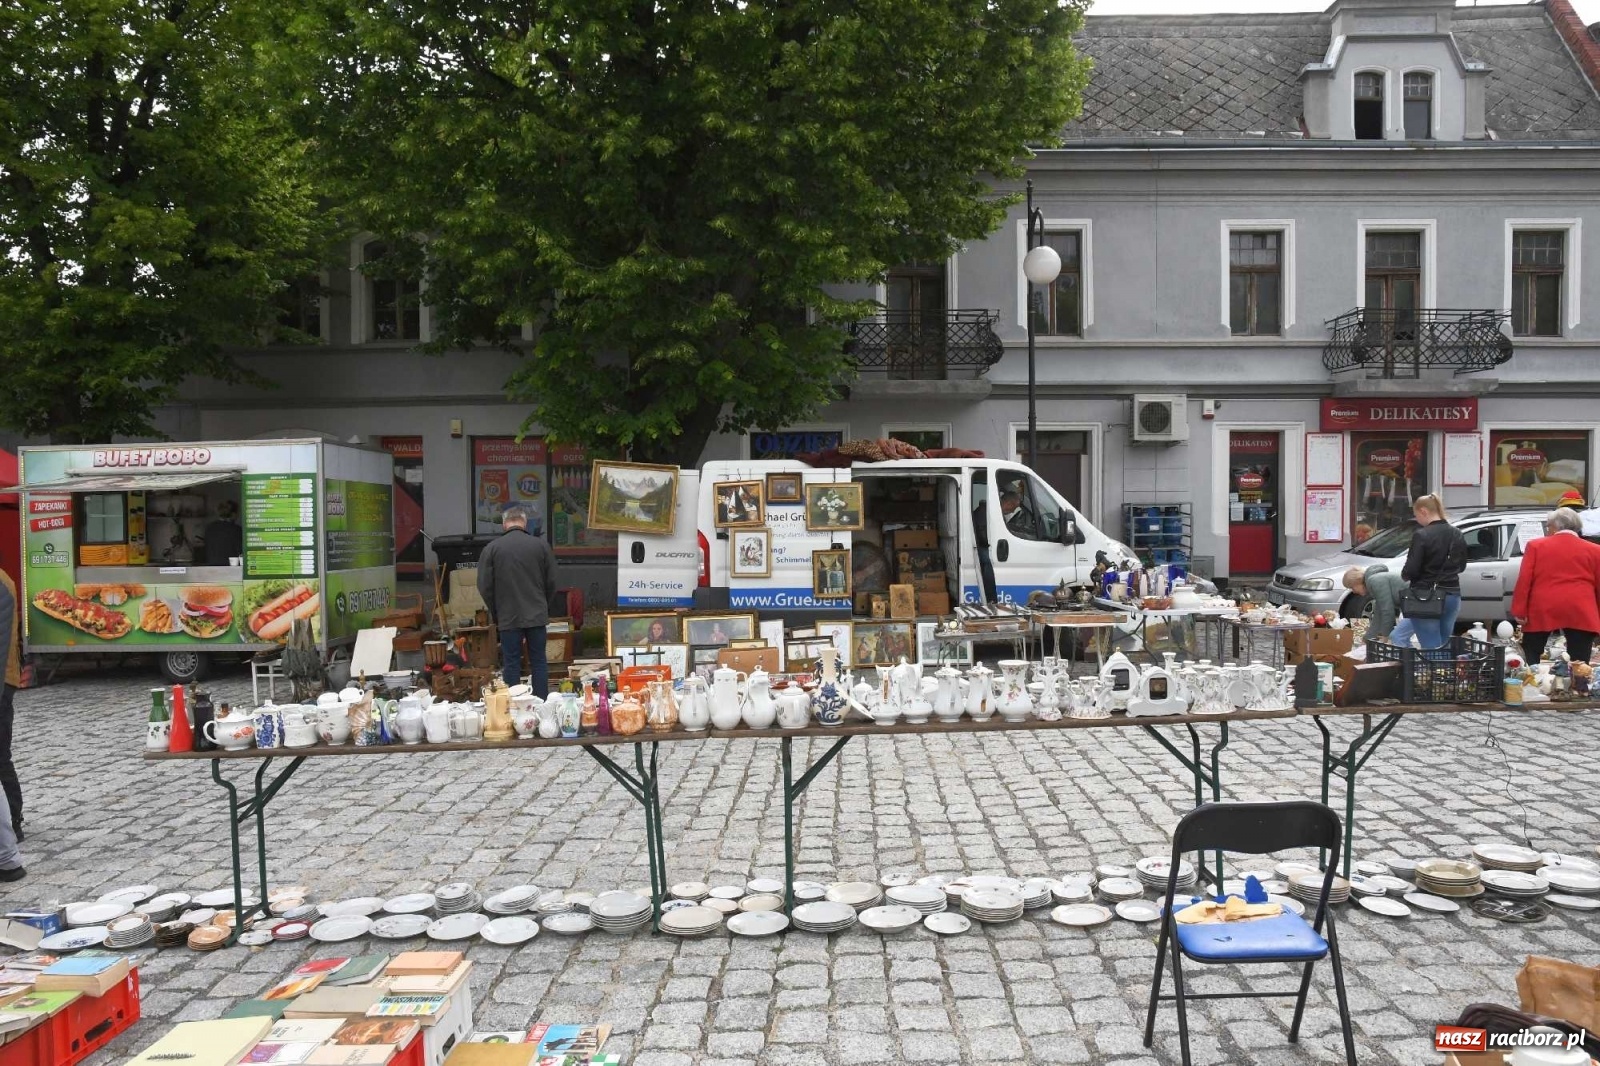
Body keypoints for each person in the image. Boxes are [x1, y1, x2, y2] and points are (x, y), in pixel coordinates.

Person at [477, 503, 560, 694]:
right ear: (524, 522)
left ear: (504, 524)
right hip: (537, 613)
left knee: (511, 664)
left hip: (508, 615)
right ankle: (541, 705)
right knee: (539, 661)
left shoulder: (492, 548)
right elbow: (553, 581)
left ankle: (513, 709)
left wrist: (496, 611)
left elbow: (484, 585)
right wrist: (543, 605)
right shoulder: (541, 546)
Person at [1512, 507, 1600, 665]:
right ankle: (1579, 687)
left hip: (1543, 607)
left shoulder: (1535, 546)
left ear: (1555, 527)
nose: (1547, 529)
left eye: (1548, 526)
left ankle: (1532, 681)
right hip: (1580, 608)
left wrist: (1520, 610)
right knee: (1580, 659)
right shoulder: (1595, 550)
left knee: (1531, 651)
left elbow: (1525, 580)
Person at [1399, 494, 1468, 650]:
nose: (1417, 520)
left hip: (1426, 596)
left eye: (1416, 516)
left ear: (1423, 511)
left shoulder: (1422, 535)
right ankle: (1445, 673)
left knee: (1431, 647)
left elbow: (1412, 569)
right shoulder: (1457, 533)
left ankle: (1435, 674)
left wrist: (1405, 575)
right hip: (1452, 595)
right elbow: (1461, 566)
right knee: (1443, 645)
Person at [0, 570, 22, 881]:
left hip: (2, 681)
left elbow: (1, 640)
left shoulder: (2, 583)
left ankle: (14, 823)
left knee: (0, 760)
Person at [1341, 564, 1405, 642]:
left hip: (1416, 603)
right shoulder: (1374, 582)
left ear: (1357, 582)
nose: (1354, 592)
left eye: (1352, 587)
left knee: (1398, 637)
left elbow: (1387, 611)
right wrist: (1366, 638)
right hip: (1414, 603)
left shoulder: (1375, 582)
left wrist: (1386, 636)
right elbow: (1378, 614)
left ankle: (1408, 654)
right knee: (1400, 637)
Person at [201, 500, 243, 566]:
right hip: (230, 569)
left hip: (211, 568)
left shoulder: (209, 528)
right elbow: (241, 552)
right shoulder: (236, 530)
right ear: (234, 514)